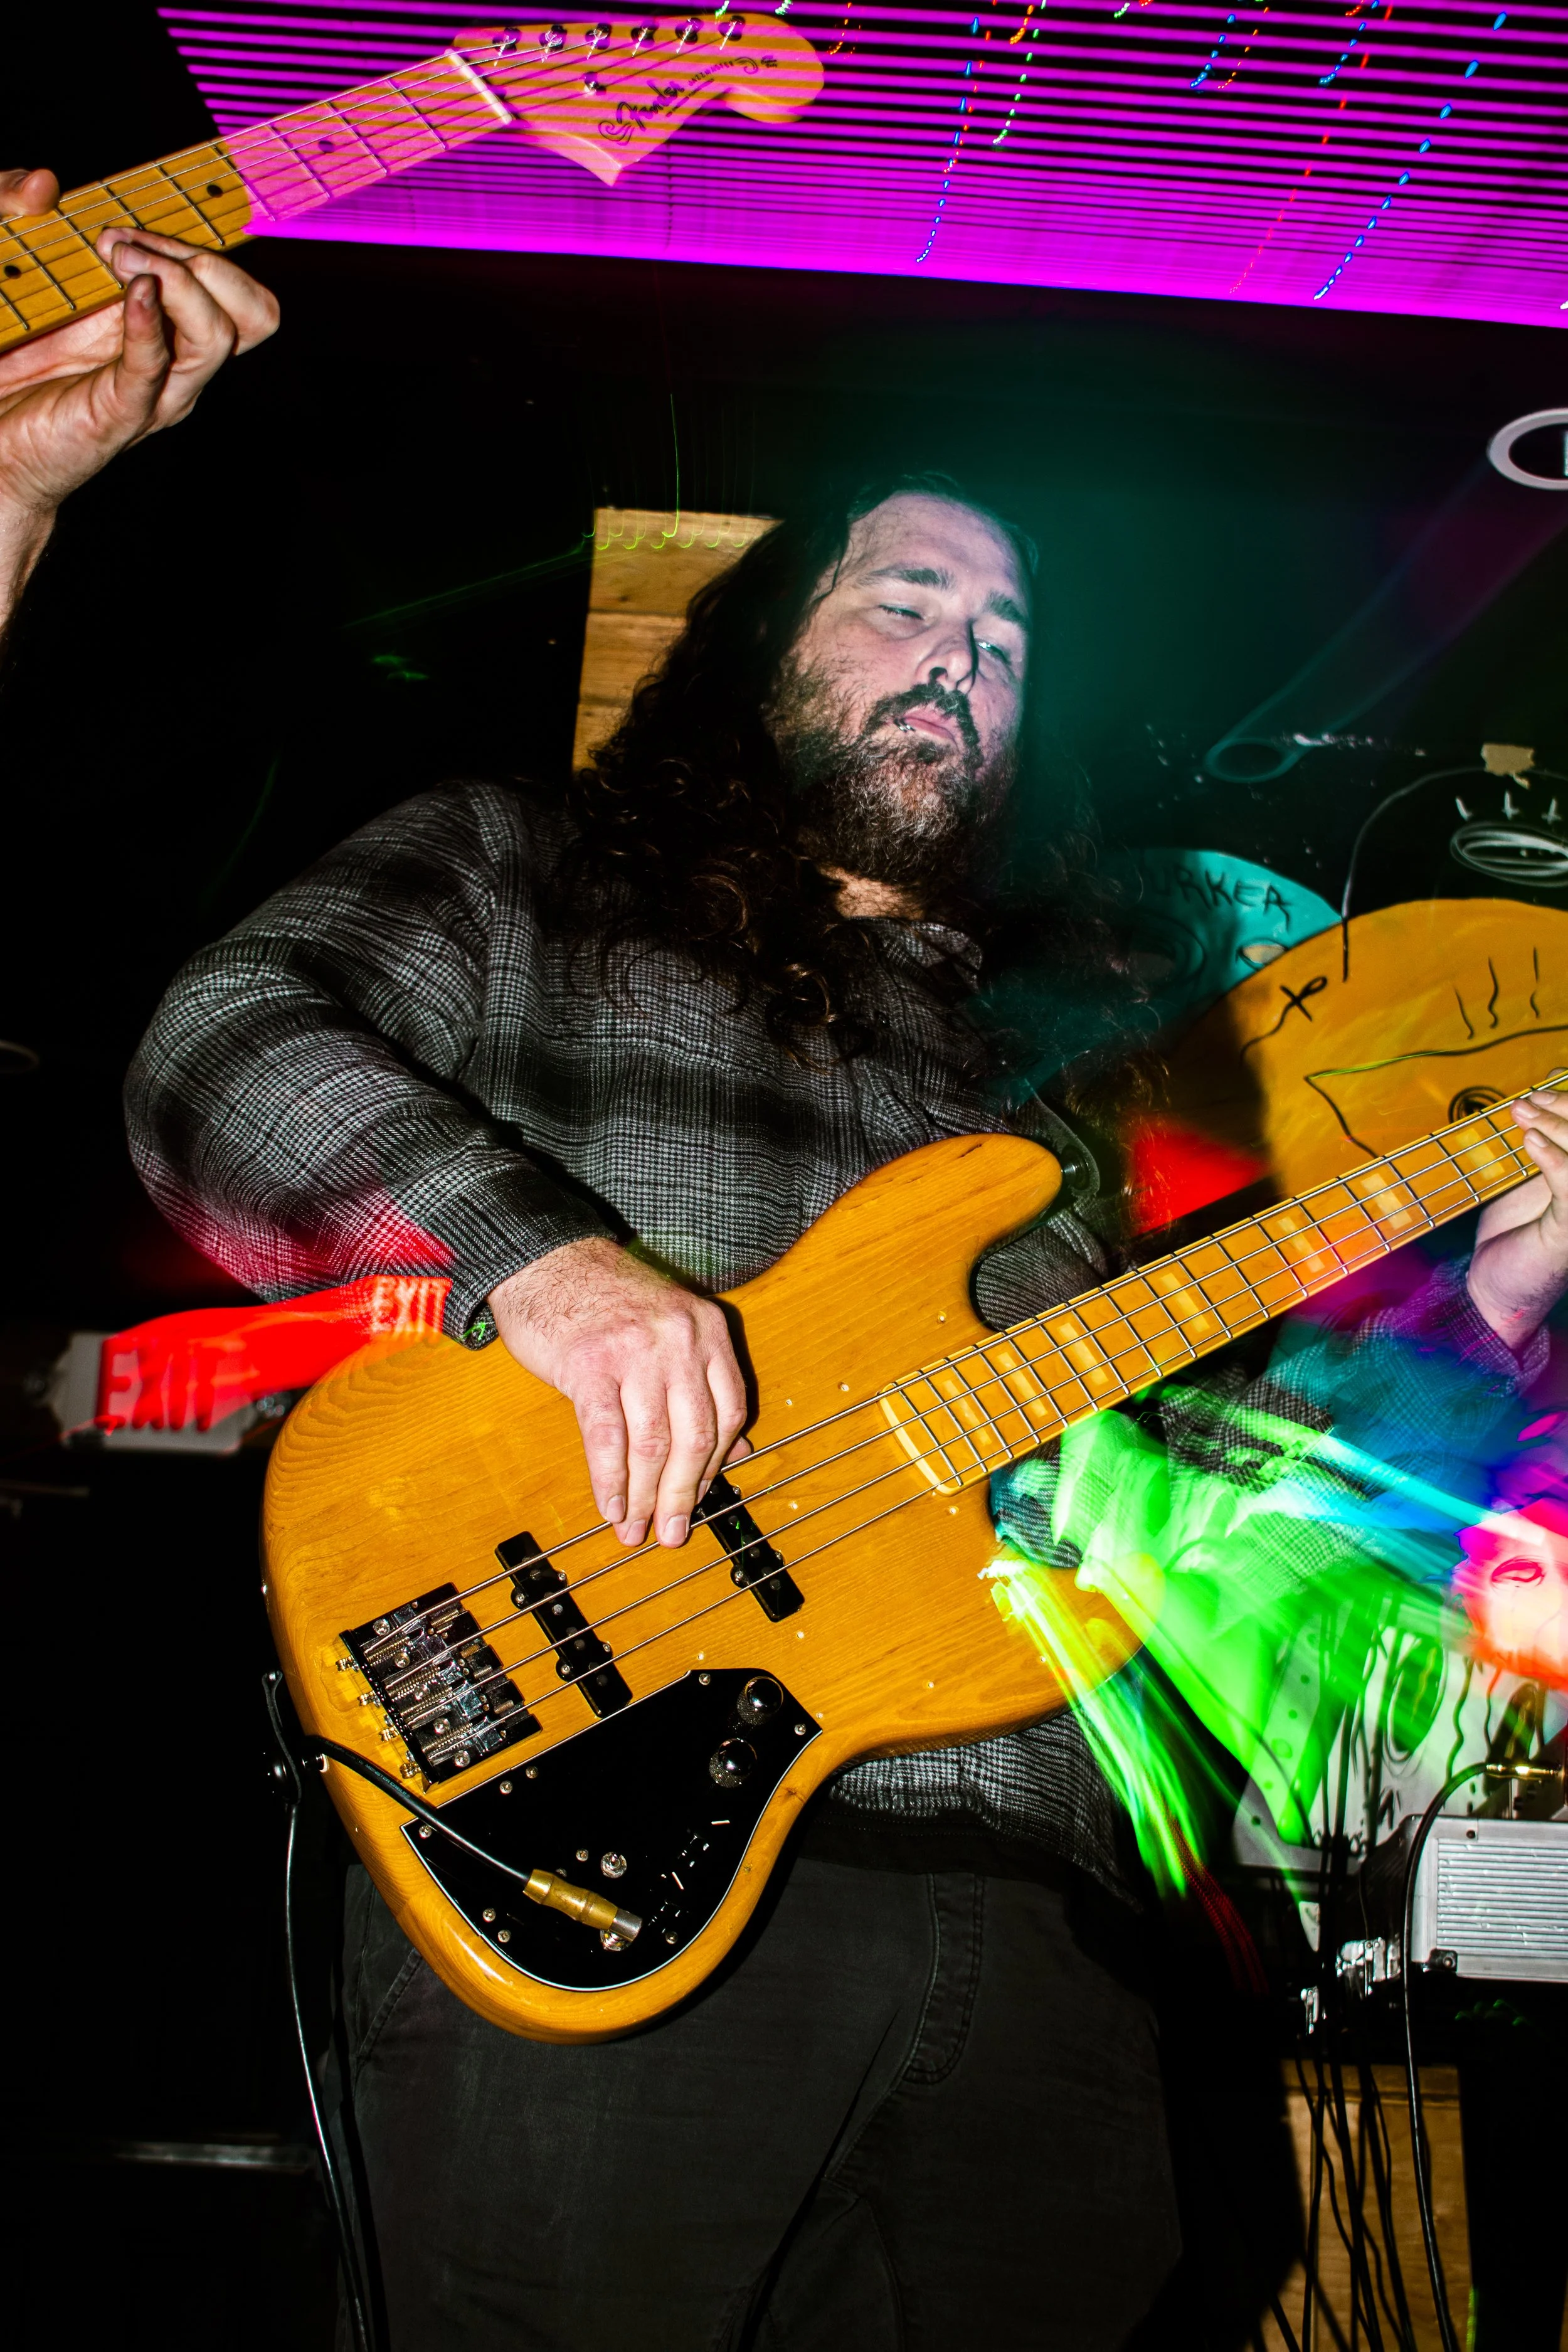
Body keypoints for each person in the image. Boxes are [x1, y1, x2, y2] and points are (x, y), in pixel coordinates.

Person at [7, 179, 1567, 2352]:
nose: (959, 661)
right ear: (759, 645)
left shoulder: (1086, 1087)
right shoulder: (520, 860)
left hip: (1047, 1937)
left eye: (1004, 645)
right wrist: (537, 1261)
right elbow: (226, 1047)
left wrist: (1493, 1290)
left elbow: (1231, 1489)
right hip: (606, 1839)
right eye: (908, 601)